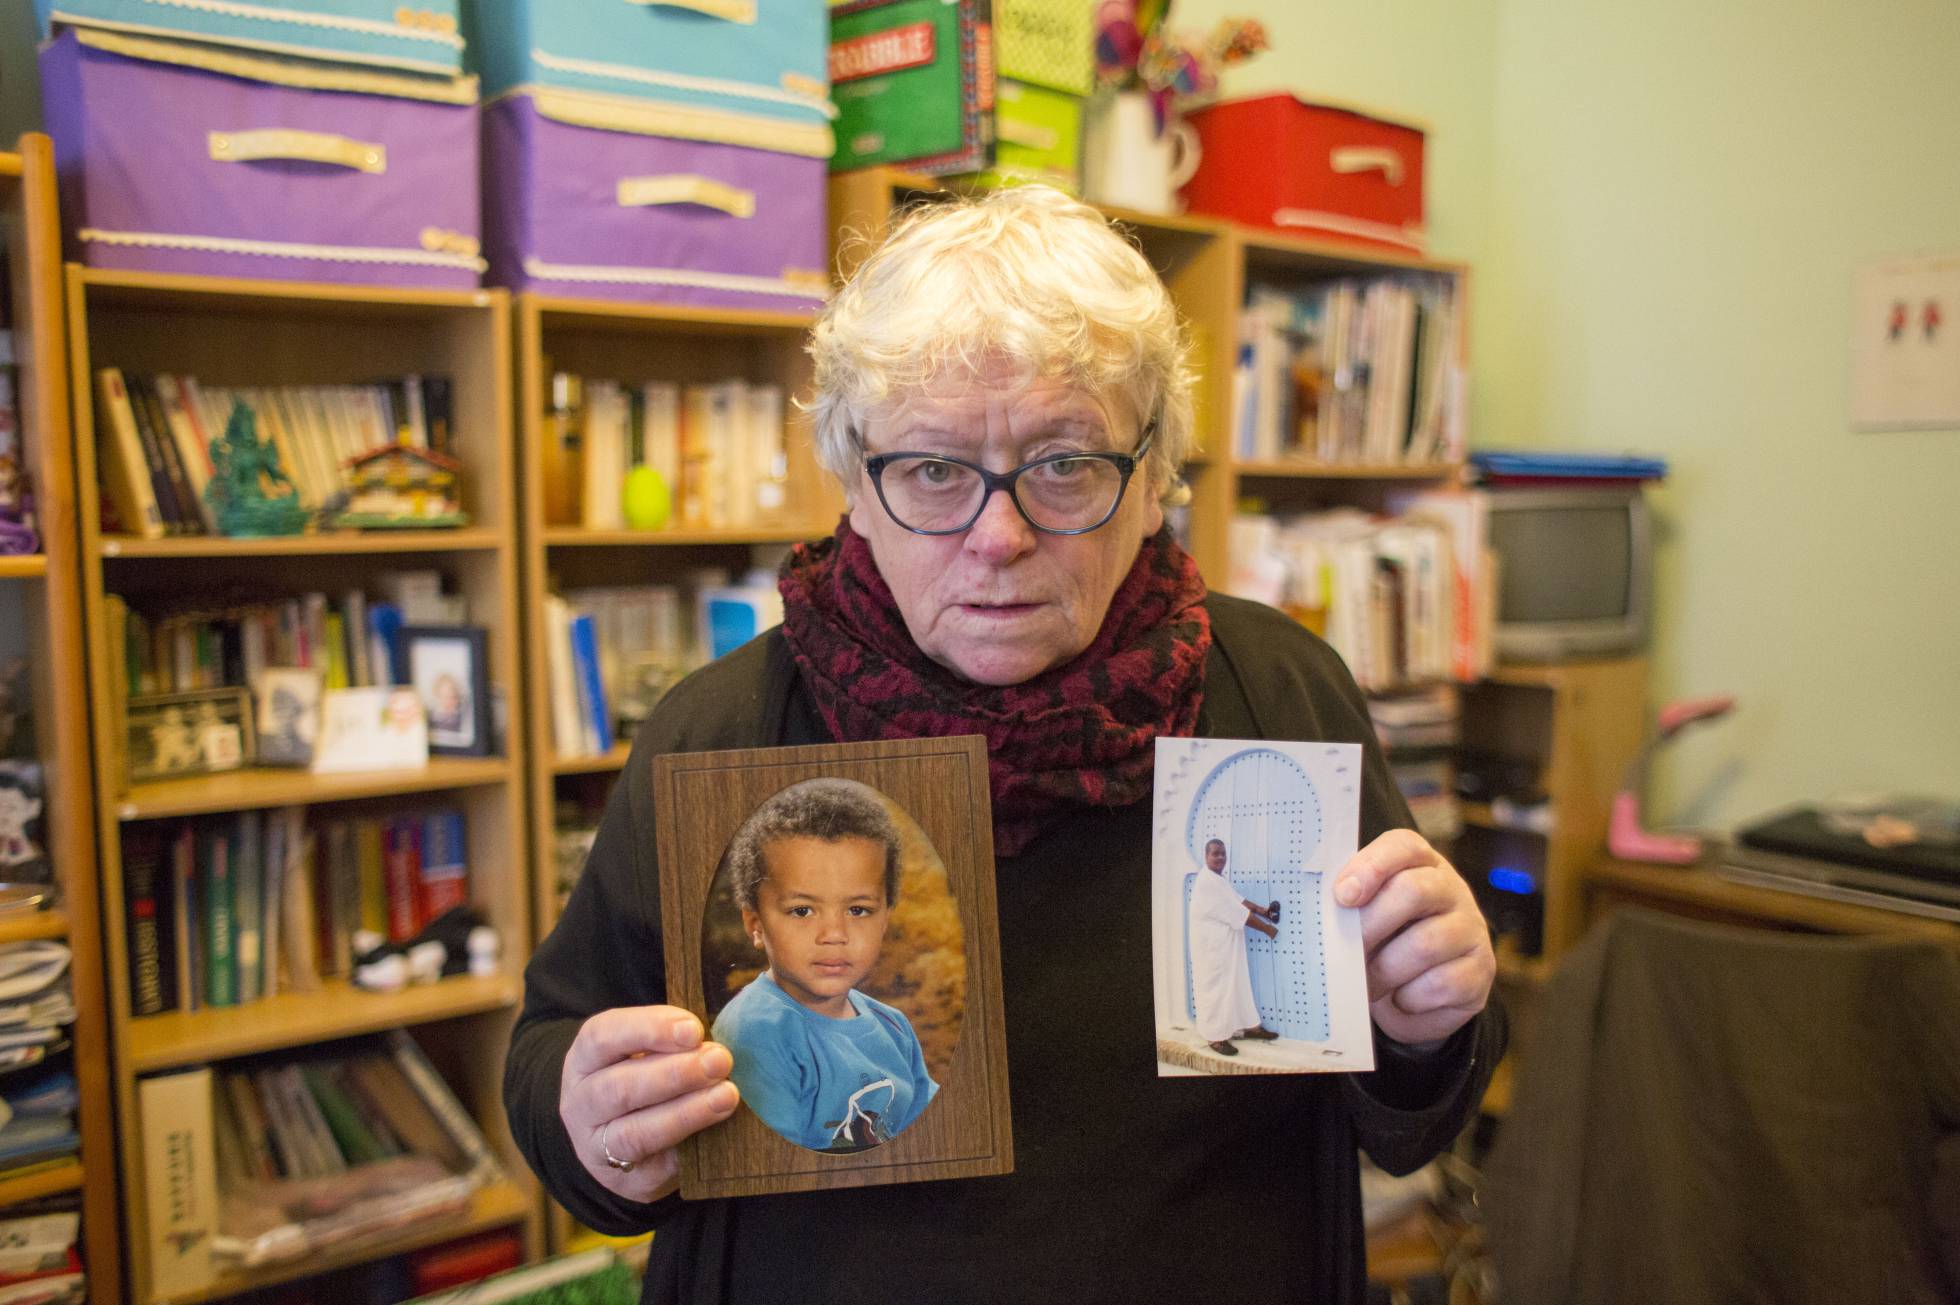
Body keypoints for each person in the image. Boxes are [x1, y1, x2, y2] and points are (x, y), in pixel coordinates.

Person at [505, 185, 1504, 1305]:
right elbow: (557, 1047)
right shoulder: (723, 732)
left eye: (1064, 464)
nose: (999, 537)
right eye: (933, 470)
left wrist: (1424, 1025)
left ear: (1153, 476)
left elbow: (1408, 1114)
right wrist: (594, 1125)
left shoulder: (1277, 697)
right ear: (854, 482)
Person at [709, 777, 937, 1153]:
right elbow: (771, 1169)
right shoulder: (755, 1032)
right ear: (756, 926)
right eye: (802, 910)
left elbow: (937, 1137)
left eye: (858, 910)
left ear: (885, 920)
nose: (834, 934)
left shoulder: (892, 1026)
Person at [1188, 837, 1282, 1055]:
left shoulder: (1217, 879)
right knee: (1215, 992)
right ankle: (1215, 1038)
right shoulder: (1207, 882)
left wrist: (1264, 911)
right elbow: (1239, 913)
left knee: (1238, 985)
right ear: (1206, 856)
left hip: (1226, 948)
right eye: (1215, 853)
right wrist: (1268, 929)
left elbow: (1239, 901)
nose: (1220, 857)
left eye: (1223, 853)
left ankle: (1249, 1027)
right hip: (1212, 952)